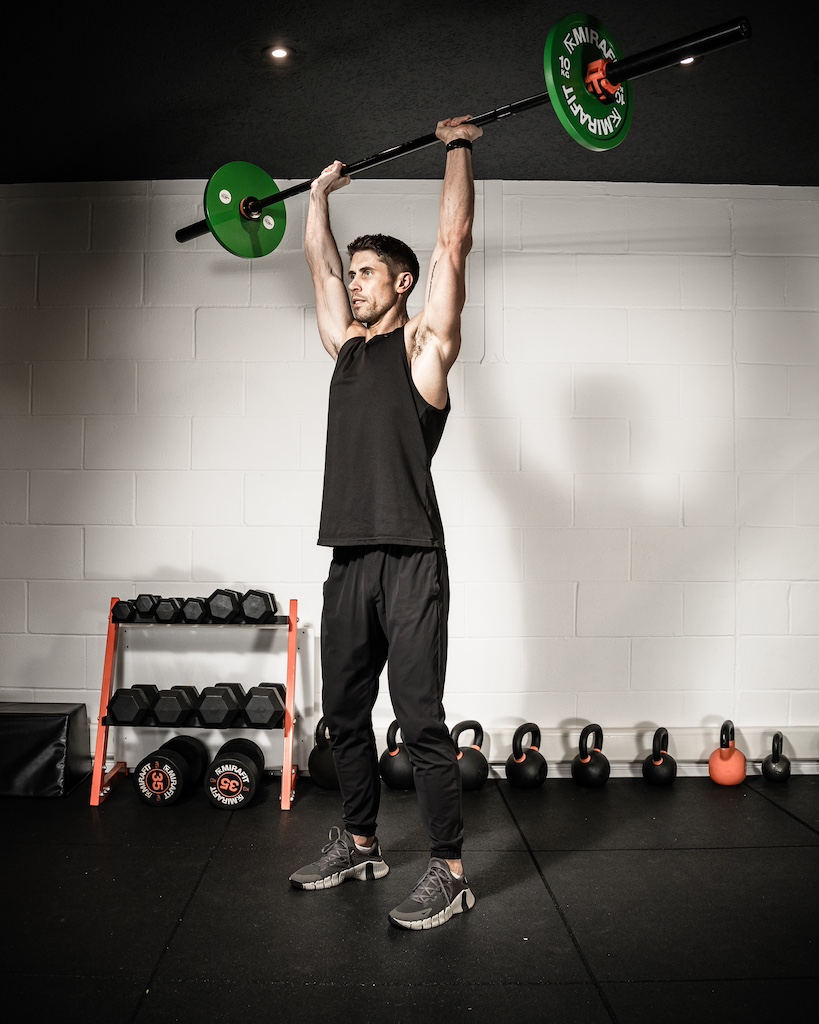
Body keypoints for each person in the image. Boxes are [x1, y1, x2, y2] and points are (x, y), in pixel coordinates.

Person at [288, 115, 483, 930]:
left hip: (410, 559)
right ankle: (362, 841)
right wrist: (320, 197)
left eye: (371, 274)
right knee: (343, 713)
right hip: (349, 560)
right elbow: (318, 263)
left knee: (422, 718)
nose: (356, 282)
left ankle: (447, 868)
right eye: (356, 275)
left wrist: (457, 149)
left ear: (400, 284)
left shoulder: (421, 352)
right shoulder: (347, 350)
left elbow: (451, 245)